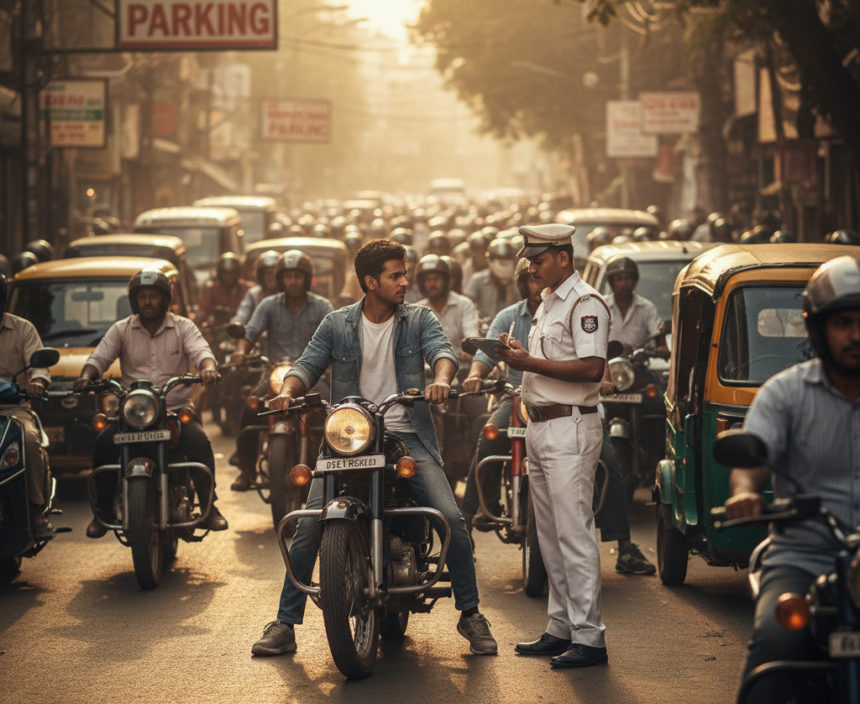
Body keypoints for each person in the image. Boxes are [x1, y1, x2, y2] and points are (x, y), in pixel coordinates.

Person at [250, 239, 498, 658]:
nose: (405, 281)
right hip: (347, 439)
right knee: (309, 524)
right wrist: (287, 392)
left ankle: (471, 613)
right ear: (370, 282)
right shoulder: (336, 324)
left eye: (405, 274)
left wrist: (441, 378)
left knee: (451, 519)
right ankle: (285, 623)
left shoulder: (419, 317)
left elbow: (443, 352)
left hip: (405, 436)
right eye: (395, 275)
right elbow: (307, 366)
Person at [722, 254, 860, 703]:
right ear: (817, 328)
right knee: (775, 649)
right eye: (843, 323)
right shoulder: (784, 393)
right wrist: (745, 494)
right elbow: (751, 459)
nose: (856, 335)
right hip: (804, 557)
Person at [497, 224, 609, 668]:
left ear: (563, 257)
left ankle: (590, 637)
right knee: (549, 536)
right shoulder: (549, 303)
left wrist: (528, 362)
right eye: (530, 259)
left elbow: (591, 369)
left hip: (571, 428)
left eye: (539, 259)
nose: (532, 267)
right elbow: (550, 366)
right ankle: (561, 626)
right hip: (541, 427)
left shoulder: (585, 303)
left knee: (573, 533)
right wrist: (520, 356)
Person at [73, 269, 227, 537]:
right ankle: (104, 510)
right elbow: (99, 358)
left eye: (153, 296)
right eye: (142, 296)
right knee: (103, 445)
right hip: (134, 413)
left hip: (175, 411)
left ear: (164, 299)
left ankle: (209, 507)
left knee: (200, 443)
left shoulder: (183, 327)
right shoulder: (121, 329)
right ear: (134, 300)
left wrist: (208, 368)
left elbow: (202, 352)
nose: (147, 302)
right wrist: (86, 377)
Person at [229, 251, 333, 491]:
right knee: (251, 406)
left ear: (307, 279)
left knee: (333, 409)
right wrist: (240, 351)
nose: (293, 281)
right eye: (289, 277)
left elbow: (334, 336)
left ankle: (335, 464)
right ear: (280, 279)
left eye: (298, 276)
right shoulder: (268, 305)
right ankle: (247, 470)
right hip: (276, 373)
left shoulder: (322, 306)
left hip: (314, 375)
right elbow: (250, 333)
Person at [0, 275, 54, 540]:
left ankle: (35, 511)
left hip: (13, 410)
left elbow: (39, 366)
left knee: (30, 440)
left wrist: (37, 382)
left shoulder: (22, 329)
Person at [603, 256, 669, 358]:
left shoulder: (647, 307)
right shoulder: (601, 305)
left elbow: (660, 343)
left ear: (635, 281)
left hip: (637, 366)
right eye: (619, 279)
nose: (624, 284)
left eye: (628, 278)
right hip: (607, 366)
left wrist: (659, 350)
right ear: (611, 282)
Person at [415, 254, 478, 360]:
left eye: (436, 279)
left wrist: (470, 349)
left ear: (446, 280)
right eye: (428, 280)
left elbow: (471, 337)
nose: (432, 284)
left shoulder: (464, 304)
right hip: (426, 369)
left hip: (460, 366)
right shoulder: (417, 310)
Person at [465, 239, 519, 319]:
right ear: (490, 260)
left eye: (507, 260)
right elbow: (466, 306)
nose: (504, 265)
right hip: (484, 328)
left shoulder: (518, 282)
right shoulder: (477, 280)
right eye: (501, 261)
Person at [232, 250, 281, 326]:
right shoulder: (253, 294)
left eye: (273, 273)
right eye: (266, 273)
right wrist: (235, 325)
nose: (270, 277)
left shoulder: (288, 294)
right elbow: (242, 315)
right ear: (260, 276)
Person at [197, 253, 251, 321]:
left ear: (237, 273)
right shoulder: (212, 289)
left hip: (242, 327)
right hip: (218, 328)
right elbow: (203, 311)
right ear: (220, 273)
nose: (229, 276)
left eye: (232, 273)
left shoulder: (246, 289)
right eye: (225, 273)